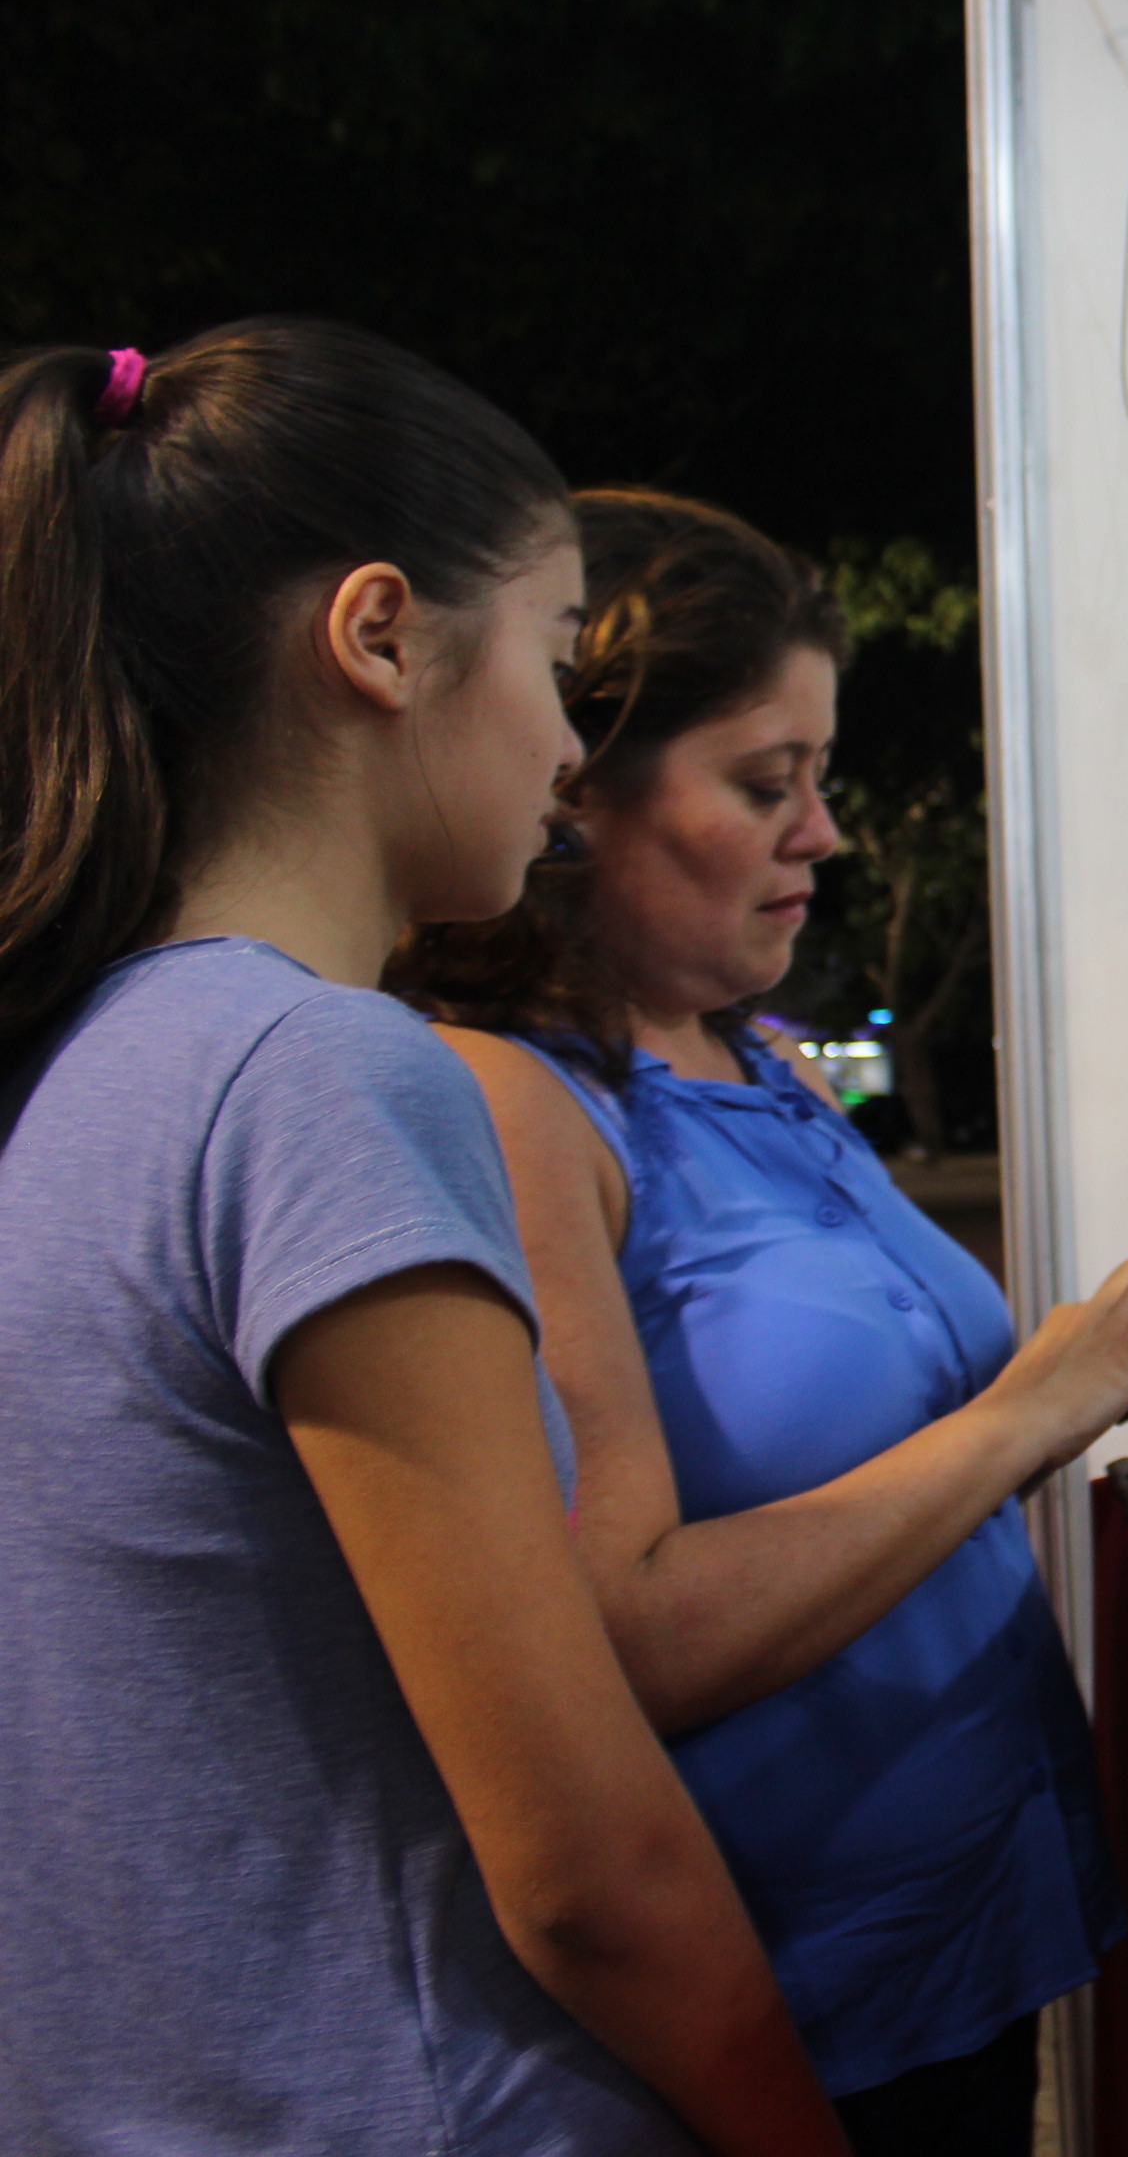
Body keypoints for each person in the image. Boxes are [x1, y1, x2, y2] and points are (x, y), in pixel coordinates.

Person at [0, 323, 849, 2153]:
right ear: (381, 636)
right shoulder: (319, 1076)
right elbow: (589, 1870)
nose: (566, 746)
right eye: (555, 656)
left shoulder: (86, 1058)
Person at [392, 487, 1128, 2157]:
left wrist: (1094, 1357)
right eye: (765, 784)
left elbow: (877, 1445)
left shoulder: (757, 1058)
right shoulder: (507, 1103)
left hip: (960, 1952)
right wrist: (1031, 1410)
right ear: (573, 793)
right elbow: (622, 1640)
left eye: (821, 778)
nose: (826, 835)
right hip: (776, 2028)